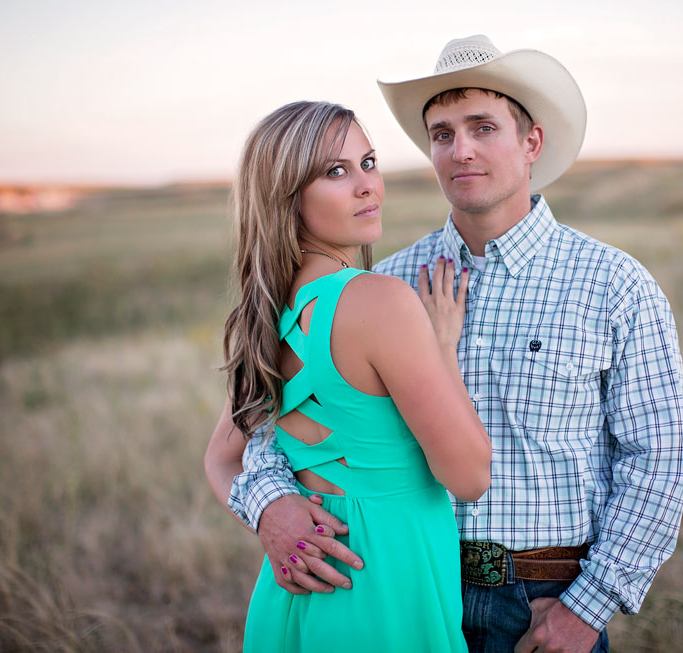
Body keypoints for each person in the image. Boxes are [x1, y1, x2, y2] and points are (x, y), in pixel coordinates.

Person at [227, 35, 683, 653]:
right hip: (401, 586)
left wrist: (587, 609)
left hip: (541, 603)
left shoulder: (613, 287)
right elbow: (265, 428)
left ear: (531, 143)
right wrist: (269, 504)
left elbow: (656, 461)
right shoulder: (383, 285)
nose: (460, 149)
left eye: (482, 127)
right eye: (442, 133)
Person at [203, 100, 492, 652]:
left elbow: (221, 459)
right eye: (336, 172)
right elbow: (470, 475)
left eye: (369, 162)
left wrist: (269, 510)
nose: (366, 186)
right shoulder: (380, 301)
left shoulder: (263, 314)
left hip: (293, 596)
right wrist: (444, 347)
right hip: (385, 593)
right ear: (287, 196)